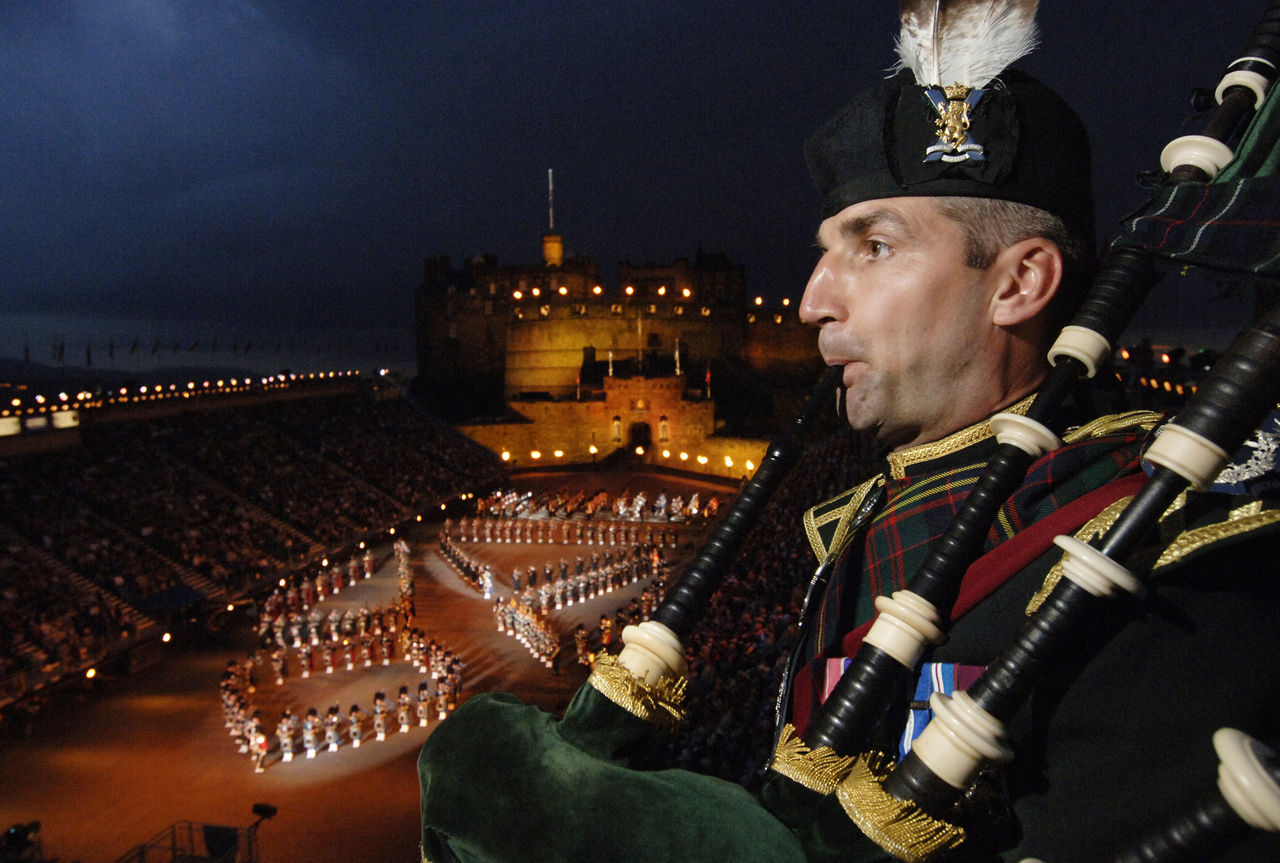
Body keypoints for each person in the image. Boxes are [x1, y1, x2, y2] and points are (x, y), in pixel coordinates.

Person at [418, 4, 1280, 861]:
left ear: (1019, 285)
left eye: (873, 246)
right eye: (828, 249)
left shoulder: (1174, 577)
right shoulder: (873, 518)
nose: (812, 300)